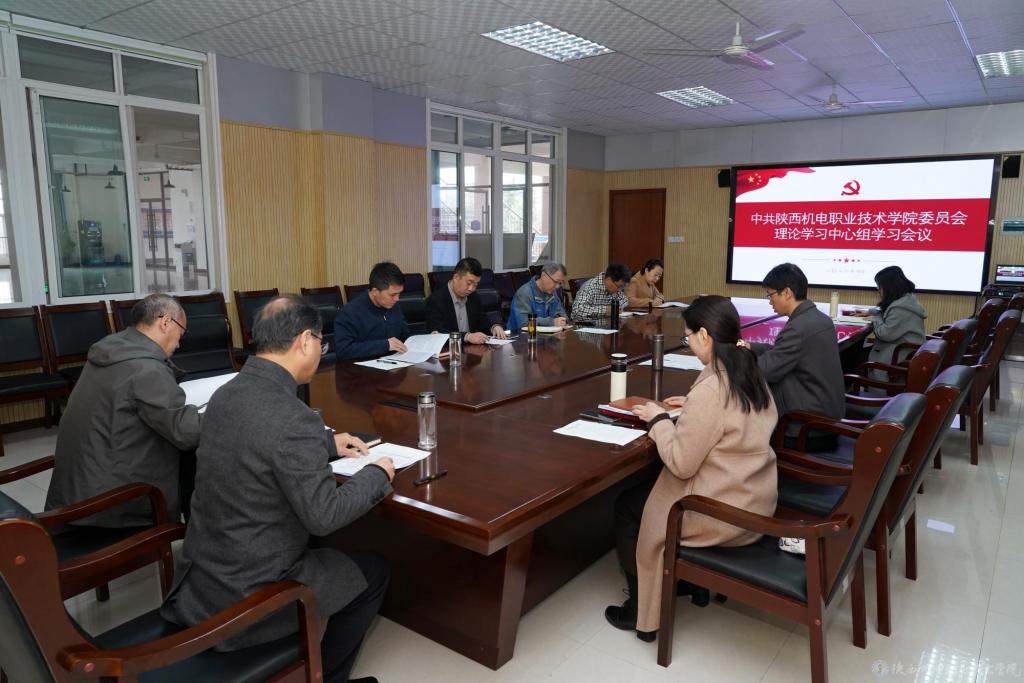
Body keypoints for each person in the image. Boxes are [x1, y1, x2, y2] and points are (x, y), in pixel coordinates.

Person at [161, 296, 394, 683]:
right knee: (374, 572)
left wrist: (327, 442)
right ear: (305, 341)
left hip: (203, 579)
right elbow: (324, 516)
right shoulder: (294, 418)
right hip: (251, 593)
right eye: (321, 342)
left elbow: (257, 439)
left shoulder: (226, 394)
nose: (321, 350)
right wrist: (377, 474)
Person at [605, 296, 777, 640]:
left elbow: (682, 464)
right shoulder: (747, 369)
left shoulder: (712, 389)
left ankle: (642, 609)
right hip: (754, 496)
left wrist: (658, 420)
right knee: (647, 489)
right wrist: (692, 406)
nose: (688, 343)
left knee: (628, 506)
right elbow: (732, 414)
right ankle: (685, 583)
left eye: (687, 337)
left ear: (704, 336)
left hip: (720, 511)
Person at [45, 293, 199, 527]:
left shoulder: (112, 349)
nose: (179, 343)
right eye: (182, 333)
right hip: (107, 508)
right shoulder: (146, 368)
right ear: (166, 322)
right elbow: (185, 433)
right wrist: (224, 412)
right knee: (196, 461)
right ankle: (202, 534)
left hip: (75, 492)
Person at [739, 263, 845, 449]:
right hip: (825, 417)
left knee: (743, 433)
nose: (770, 301)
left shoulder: (798, 327)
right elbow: (782, 352)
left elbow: (764, 371)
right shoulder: (819, 319)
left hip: (806, 428)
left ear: (786, 292)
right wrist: (751, 347)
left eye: (770, 295)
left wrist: (734, 360)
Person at [335, 261, 411, 360]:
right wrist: (385, 345)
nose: (397, 299)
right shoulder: (350, 313)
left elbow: (404, 335)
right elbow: (343, 350)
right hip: (362, 367)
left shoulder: (393, 305)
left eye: (399, 294)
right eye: (392, 295)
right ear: (375, 291)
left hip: (395, 363)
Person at [425, 256, 507, 343]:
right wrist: (466, 337)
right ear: (456, 277)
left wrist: (493, 327)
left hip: (473, 349)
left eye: (475, 285)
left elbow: (482, 320)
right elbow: (436, 333)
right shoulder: (435, 300)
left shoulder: (473, 297)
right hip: (450, 349)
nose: (471, 289)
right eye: (468, 283)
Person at [860, 266, 927, 368]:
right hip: (900, 349)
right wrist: (870, 312)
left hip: (897, 355)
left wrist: (875, 319)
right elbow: (888, 312)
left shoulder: (901, 308)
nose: (878, 290)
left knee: (851, 356)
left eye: (879, 286)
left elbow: (884, 334)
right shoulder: (906, 300)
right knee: (855, 353)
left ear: (889, 287)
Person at [507, 261, 570, 331]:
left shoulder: (552, 292)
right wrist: (551, 322)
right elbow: (524, 323)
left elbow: (561, 313)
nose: (557, 286)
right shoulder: (524, 293)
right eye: (556, 281)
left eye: (560, 283)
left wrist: (562, 320)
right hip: (521, 335)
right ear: (543, 276)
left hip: (546, 335)